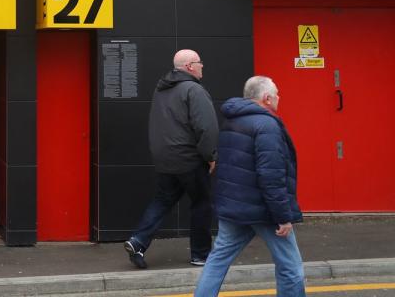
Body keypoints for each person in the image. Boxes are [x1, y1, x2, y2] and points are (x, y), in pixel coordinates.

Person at [194, 76, 305, 296]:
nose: (279, 97)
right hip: (263, 210)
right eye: (277, 94)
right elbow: (271, 175)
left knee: (217, 260)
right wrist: (282, 216)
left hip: (234, 207)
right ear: (266, 98)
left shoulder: (232, 121)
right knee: (290, 266)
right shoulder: (267, 125)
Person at [124, 49, 218, 269]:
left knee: (163, 200)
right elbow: (206, 128)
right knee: (202, 204)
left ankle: (138, 241)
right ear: (189, 66)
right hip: (190, 159)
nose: (202, 65)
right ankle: (201, 255)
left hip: (166, 159)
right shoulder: (194, 90)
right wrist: (210, 155)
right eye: (199, 62)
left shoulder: (162, 89)